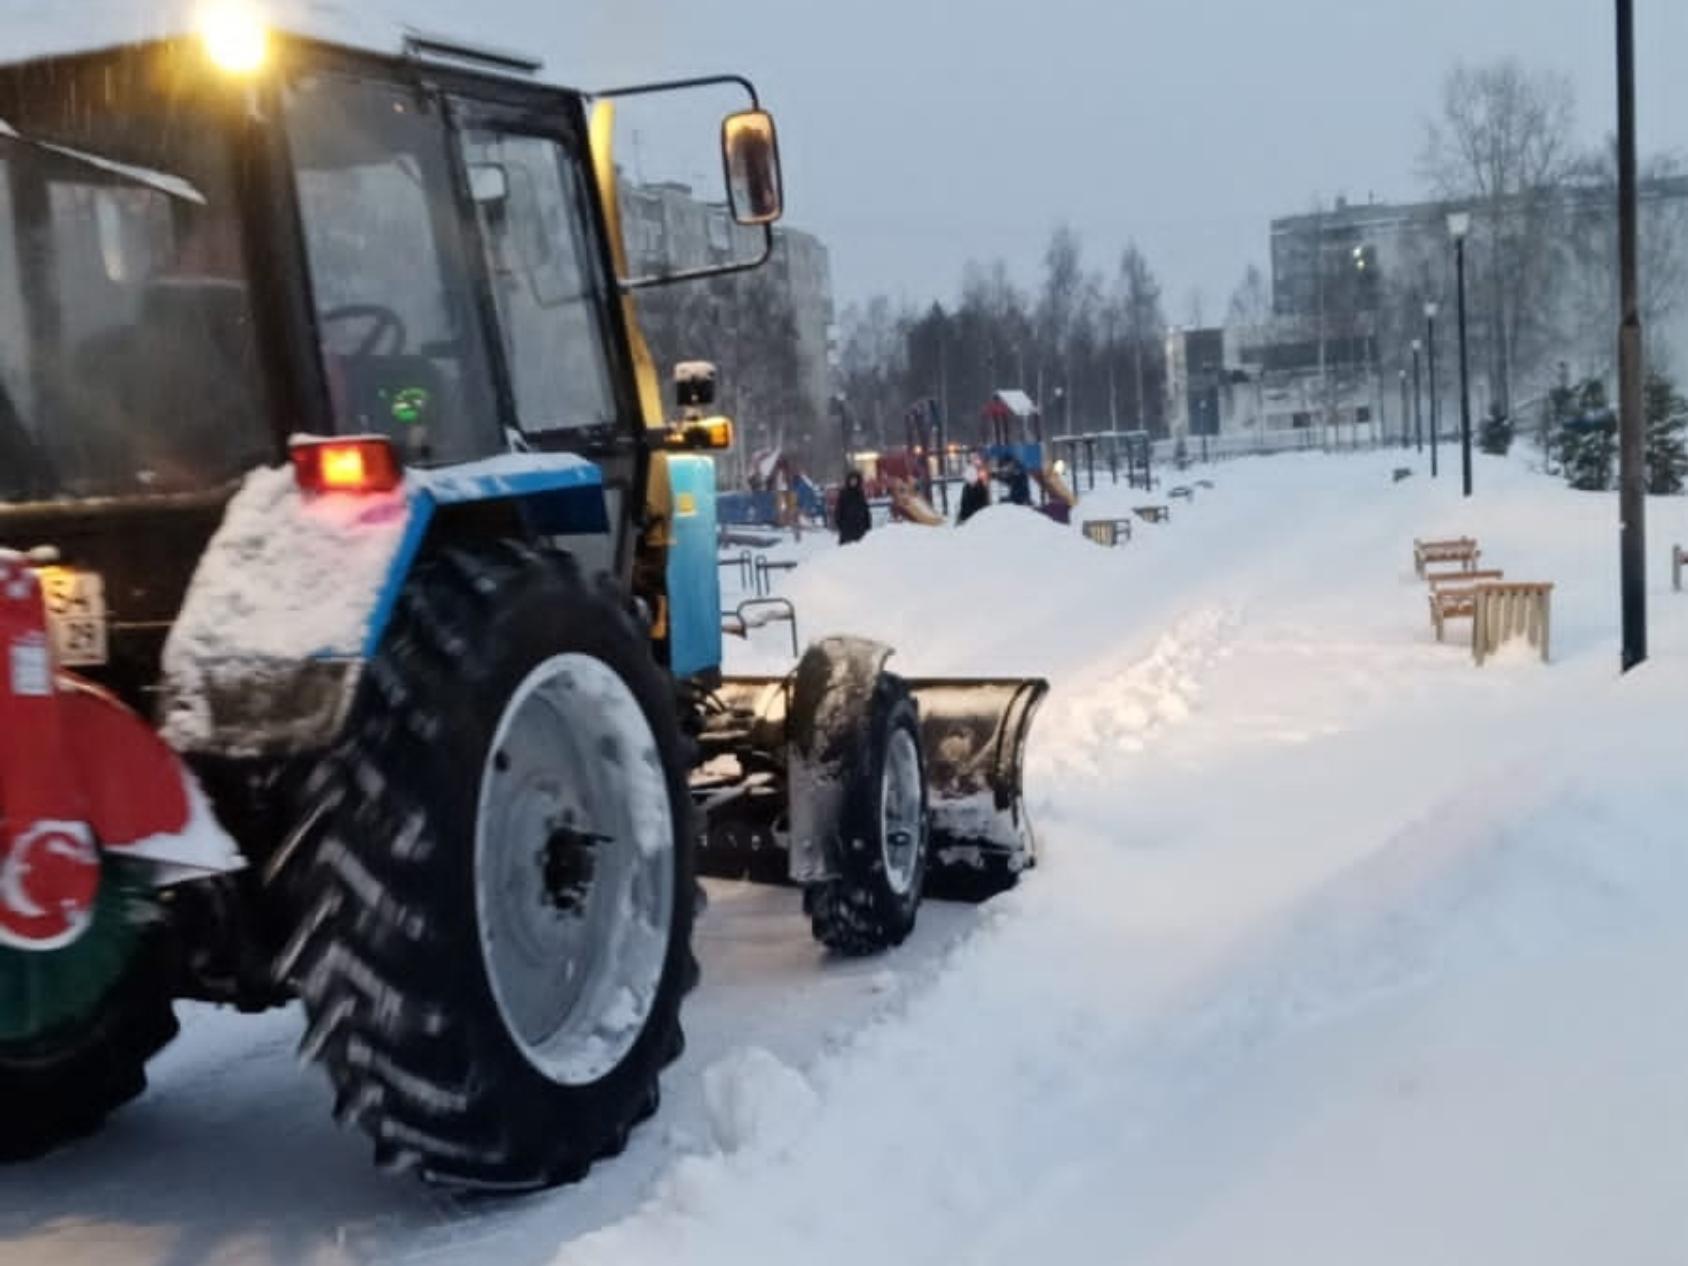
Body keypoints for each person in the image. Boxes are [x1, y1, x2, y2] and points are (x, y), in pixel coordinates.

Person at [835, 470, 871, 544]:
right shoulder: (844, 493)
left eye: (855, 480)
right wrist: (840, 524)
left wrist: (867, 524)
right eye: (852, 480)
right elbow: (839, 510)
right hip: (847, 528)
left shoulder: (860, 493)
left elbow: (865, 510)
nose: (853, 482)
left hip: (860, 528)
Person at [957, 457, 991, 524]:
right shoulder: (967, 488)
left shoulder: (980, 487)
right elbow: (964, 505)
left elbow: (984, 504)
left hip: (978, 518)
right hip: (969, 517)